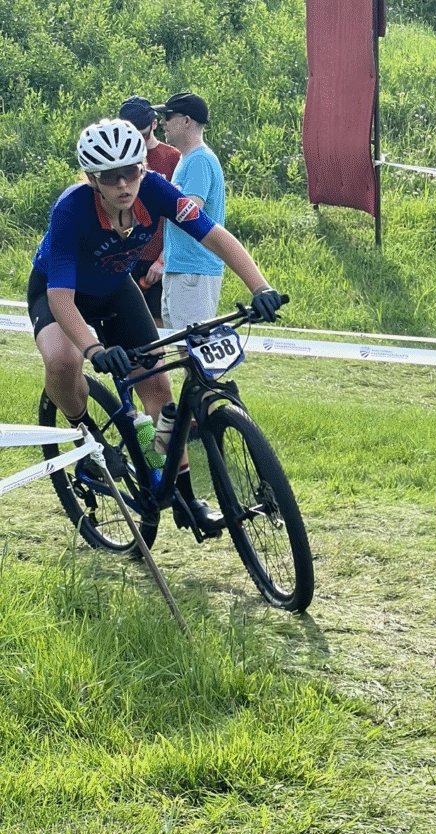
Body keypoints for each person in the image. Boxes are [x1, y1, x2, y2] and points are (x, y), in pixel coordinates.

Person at [29, 118, 284, 534]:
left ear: (143, 168)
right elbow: (60, 298)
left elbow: (214, 236)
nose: (123, 184)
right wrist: (93, 349)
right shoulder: (71, 209)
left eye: (131, 171)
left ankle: (185, 496)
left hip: (115, 289)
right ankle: (84, 431)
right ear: (93, 179)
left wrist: (260, 287)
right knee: (61, 358)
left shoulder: (157, 192)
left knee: (159, 393)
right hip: (60, 292)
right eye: (110, 178)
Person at [152, 92, 226, 329]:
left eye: (168, 116)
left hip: (193, 271)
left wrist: (156, 193)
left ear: (186, 121)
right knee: (184, 349)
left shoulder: (199, 161)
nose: (162, 122)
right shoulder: (187, 159)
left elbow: (190, 212)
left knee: (195, 352)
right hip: (180, 268)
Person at [118, 95, 180, 327]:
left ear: (155, 125)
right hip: (125, 256)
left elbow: (182, 217)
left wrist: (162, 260)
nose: (138, 143)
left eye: (143, 136)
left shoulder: (172, 158)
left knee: (157, 327)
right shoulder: (117, 159)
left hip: (157, 257)